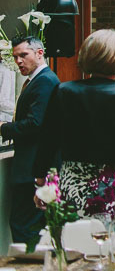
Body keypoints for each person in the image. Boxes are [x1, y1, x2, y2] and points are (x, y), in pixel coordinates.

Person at [35, 29, 115, 216]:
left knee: (72, 240)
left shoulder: (64, 91)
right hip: (112, 184)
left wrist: (40, 184)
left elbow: (48, 140)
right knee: (110, 240)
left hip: (73, 182)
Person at [1, 37, 59, 242]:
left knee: (24, 226)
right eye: (15, 57)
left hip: (33, 168)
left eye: (23, 55)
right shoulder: (39, 79)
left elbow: (36, 123)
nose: (18, 61)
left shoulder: (44, 81)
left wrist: (4, 128)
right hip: (32, 166)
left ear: (40, 53)